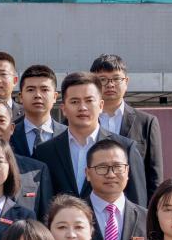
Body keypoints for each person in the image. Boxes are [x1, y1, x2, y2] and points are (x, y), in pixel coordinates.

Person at [32, 72, 148, 207]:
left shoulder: (125, 148)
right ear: (63, 109)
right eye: (75, 102)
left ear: (101, 105)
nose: (82, 108)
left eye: (89, 101)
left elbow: (137, 206)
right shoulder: (44, 152)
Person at [92, 54, 164, 194]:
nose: (110, 84)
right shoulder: (79, 121)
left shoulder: (146, 123)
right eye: (103, 79)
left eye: (116, 79)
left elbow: (155, 175)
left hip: (133, 202)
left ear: (126, 81)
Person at [84, 139, 148, 240]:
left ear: (127, 171)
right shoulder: (74, 216)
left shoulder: (147, 218)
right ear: (88, 174)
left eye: (118, 167)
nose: (111, 174)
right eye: (102, 168)